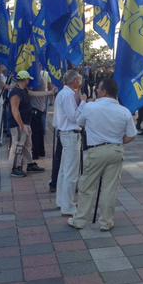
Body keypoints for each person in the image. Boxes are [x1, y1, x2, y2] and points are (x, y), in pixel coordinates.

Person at [68, 78, 137, 231]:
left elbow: (79, 122)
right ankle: (106, 222)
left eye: (98, 89)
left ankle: (79, 220)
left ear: (104, 91)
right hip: (116, 150)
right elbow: (132, 135)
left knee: (87, 186)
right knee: (109, 188)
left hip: (96, 151)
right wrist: (118, 141)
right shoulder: (124, 111)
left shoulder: (91, 107)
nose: (97, 91)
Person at [54, 69, 85, 216]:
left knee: (64, 170)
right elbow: (74, 117)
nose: (80, 82)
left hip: (66, 134)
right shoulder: (67, 95)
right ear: (74, 82)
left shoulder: (64, 93)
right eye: (79, 80)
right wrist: (83, 103)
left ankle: (62, 201)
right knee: (71, 172)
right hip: (70, 134)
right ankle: (68, 205)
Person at [7, 71, 46, 178]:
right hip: (18, 124)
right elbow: (15, 110)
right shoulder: (16, 92)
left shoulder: (23, 90)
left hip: (26, 122)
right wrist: (21, 125)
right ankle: (15, 168)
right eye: (28, 79)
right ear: (24, 80)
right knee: (18, 145)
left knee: (27, 144)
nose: (29, 81)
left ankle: (29, 163)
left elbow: (34, 94)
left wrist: (50, 92)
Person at [30, 68, 50, 160]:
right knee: (39, 131)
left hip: (36, 108)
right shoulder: (40, 78)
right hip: (40, 108)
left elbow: (31, 93)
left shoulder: (36, 81)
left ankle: (36, 153)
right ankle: (41, 151)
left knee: (36, 133)